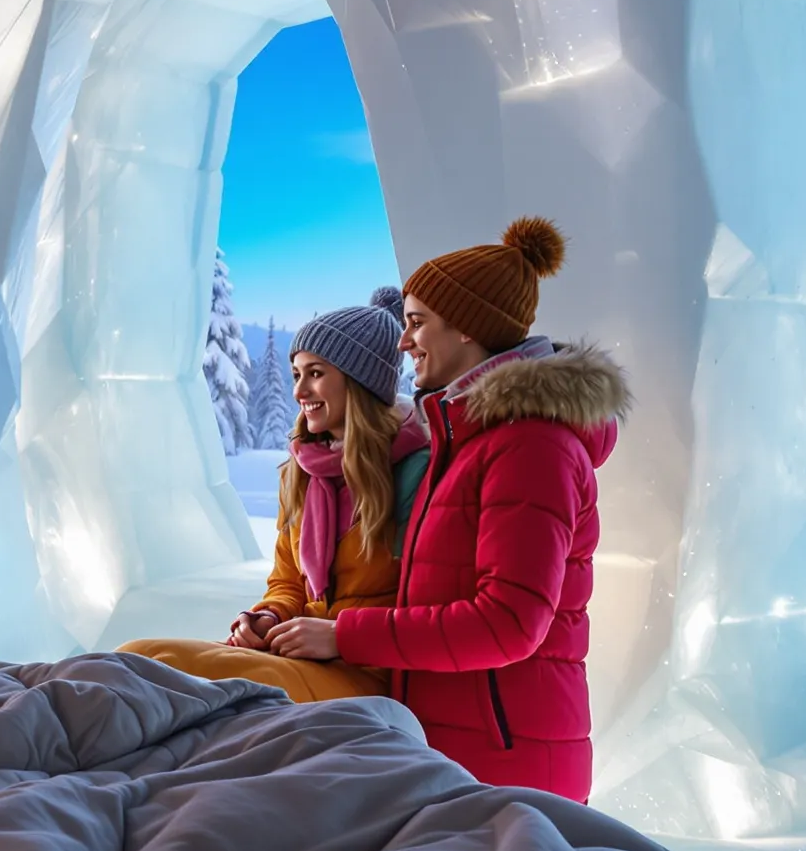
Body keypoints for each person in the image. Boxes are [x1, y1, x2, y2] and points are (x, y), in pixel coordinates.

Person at [258, 216, 627, 802]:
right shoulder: (464, 441)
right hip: (456, 755)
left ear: (466, 329)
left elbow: (507, 622)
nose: (403, 342)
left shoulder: (531, 444)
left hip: (508, 768)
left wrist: (345, 636)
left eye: (416, 323)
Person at [121, 291, 430, 702]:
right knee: (136, 656)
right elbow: (287, 583)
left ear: (359, 382)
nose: (300, 390)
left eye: (316, 373)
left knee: (166, 671)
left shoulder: (414, 473)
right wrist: (267, 616)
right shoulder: (303, 472)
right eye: (297, 374)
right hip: (303, 657)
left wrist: (340, 636)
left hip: (368, 673)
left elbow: (428, 609)